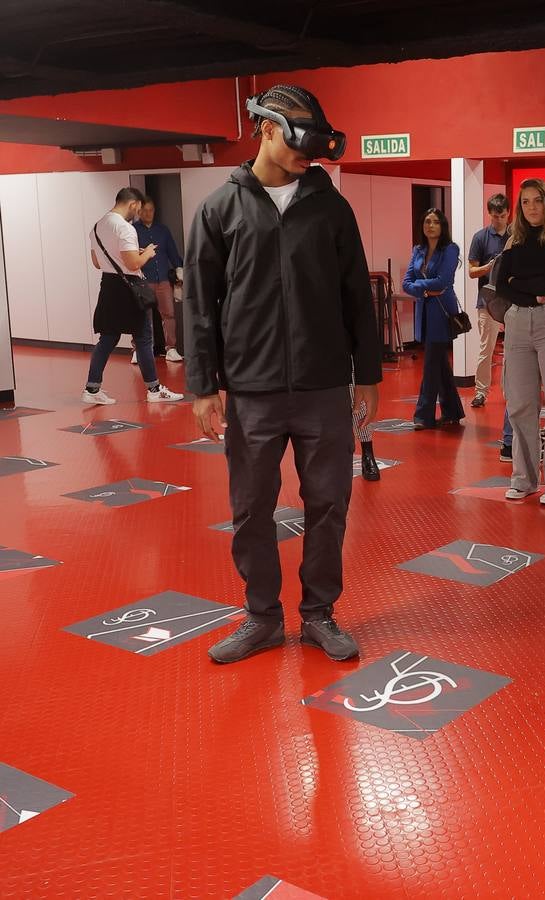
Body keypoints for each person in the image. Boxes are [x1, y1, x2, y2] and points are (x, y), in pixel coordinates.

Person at [185, 83, 381, 664]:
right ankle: (262, 617)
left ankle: (319, 613)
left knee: (328, 504)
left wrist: (365, 373)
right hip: (253, 390)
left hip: (323, 388)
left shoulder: (331, 207)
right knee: (250, 509)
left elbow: (356, 297)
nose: (309, 158)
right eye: (300, 145)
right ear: (266, 130)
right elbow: (200, 304)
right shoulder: (219, 209)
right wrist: (202, 385)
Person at [496, 179, 545, 504]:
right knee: (521, 402)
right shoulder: (513, 240)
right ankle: (523, 479)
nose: (532, 207)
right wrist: (530, 290)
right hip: (516, 322)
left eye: (537, 200)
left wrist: (519, 283)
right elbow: (502, 287)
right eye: (525, 202)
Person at [83, 187, 183, 406]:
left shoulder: (98, 226)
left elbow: (98, 262)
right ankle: (154, 390)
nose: (138, 213)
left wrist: (128, 257)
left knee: (108, 338)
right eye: (138, 208)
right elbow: (132, 264)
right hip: (130, 288)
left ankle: (92, 387)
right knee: (144, 337)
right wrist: (146, 253)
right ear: (132, 204)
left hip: (109, 286)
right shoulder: (125, 228)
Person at [402, 208, 465, 429]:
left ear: (443, 226)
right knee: (439, 364)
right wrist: (425, 290)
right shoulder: (418, 250)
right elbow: (406, 282)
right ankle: (452, 411)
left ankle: (423, 415)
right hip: (424, 313)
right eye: (427, 221)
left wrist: (420, 287)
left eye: (435, 222)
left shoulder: (450, 249)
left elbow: (444, 280)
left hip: (441, 313)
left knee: (430, 365)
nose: (430, 226)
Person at [467, 193, 511, 408]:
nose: (498, 220)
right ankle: (481, 392)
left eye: (502, 216)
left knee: (514, 348)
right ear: (490, 214)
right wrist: (488, 267)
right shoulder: (480, 237)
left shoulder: (516, 235)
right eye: (495, 216)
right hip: (488, 302)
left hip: (514, 300)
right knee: (487, 348)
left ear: (508, 213)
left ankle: (509, 391)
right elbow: (471, 271)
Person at [134, 199, 185, 362]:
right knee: (142, 316)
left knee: (169, 314)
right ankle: (139, 350)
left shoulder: (163, 230)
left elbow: (173, 253)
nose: (148, 213)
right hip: (143, 280)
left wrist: (180, 272)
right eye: (145, 210)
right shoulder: (132, 231)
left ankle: (171, 349)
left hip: (162, 279)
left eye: (151, 210)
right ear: (139, 212)